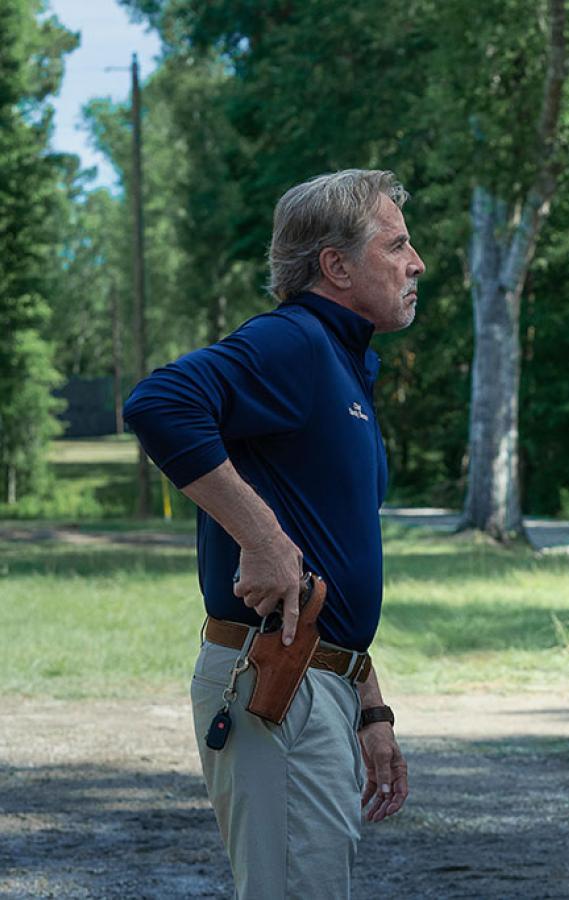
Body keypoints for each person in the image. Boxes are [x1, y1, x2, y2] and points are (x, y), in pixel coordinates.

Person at [123, 169, 425, 899]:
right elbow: (159, 402)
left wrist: (369, 701)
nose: (417, 264)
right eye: (398, 245)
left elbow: (331, 552)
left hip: (320, 680)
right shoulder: (296, 341)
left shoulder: (344, 364)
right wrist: (259, 536)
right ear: (336, 265)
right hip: (276, 684)